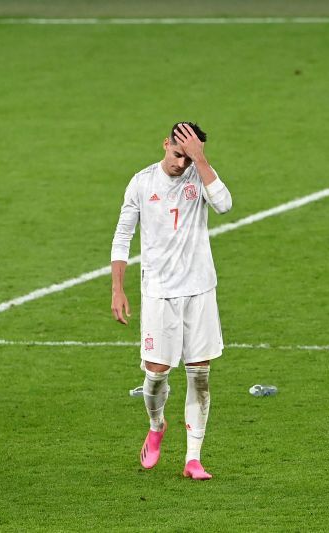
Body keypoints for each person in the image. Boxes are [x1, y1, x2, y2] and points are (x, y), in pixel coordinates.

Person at [110, 122, 232, 480]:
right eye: (178, 154)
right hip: (159, 293)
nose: (182, 163)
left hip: (200, 291)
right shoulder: (142, 183)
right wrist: (118, 288)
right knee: (155, 376)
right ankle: (157, 424)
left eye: (188, 156)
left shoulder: (200, 176)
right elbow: (122, 237)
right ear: (165, 144)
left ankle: (193, 458)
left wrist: (201, 159)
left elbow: (224, 204)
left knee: (200, 375)